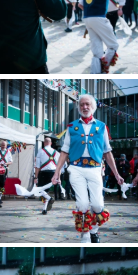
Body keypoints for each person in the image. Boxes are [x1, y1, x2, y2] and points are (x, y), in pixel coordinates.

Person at [52, 94, 123, 244]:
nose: (85, 107)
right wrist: (56, 172)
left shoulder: (102, 126)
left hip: (95, 168)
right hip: (76, 168)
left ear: (93, 107)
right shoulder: (71, 127)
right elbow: (64, 151)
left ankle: (94, 231)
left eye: (87, 105)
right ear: (78, 108)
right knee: (83, 204)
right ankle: (85, 236)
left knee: (98, 204)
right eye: (82, 104)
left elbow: (107, 152)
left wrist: (116, 174)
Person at [81, 0, 129, 74]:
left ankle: (95, 73)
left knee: (97, 52)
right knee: (113, 45)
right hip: (99, 18)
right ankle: (104, 68)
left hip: (88, 18)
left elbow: (80, 4)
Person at [35, 136, 59, 206]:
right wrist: (59, 177)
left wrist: (36, 177)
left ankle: (49, 199)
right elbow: (58, 166)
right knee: (46, 191)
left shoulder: (40, 151)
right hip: (53, 173)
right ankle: (45, 208)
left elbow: (37, 166)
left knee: (40, 190)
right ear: (51, 143)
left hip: (43, 173)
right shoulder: (56, 152)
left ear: (44, 143)